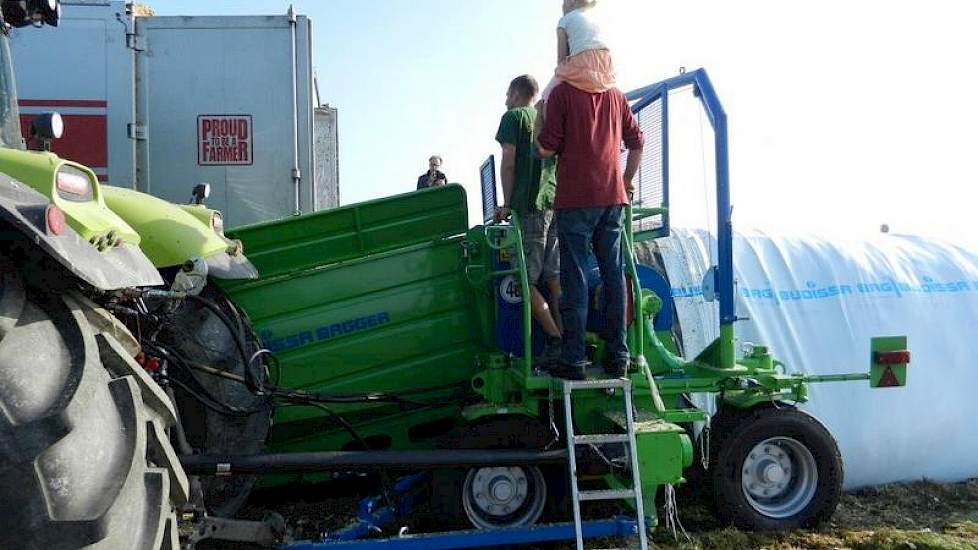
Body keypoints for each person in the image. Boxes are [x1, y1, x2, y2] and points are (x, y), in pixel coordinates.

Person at [537, 80, 644, 381]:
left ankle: (574, 359)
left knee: (576, 277)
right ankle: (619, 355)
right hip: (612, 199)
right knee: (614, 274)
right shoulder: (616, 95)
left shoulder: (562, 93)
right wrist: (627, 179)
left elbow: (545, 147)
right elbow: (638, 141)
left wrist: (541, 116)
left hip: (575, 200)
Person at [493, 75, 562, 364]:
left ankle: (556, 341)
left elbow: (508, 162)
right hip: (555, 204)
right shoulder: (547, 116)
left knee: (525, 281)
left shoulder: (513, 118)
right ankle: (572, 339)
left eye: (508, 94)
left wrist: (506, 204)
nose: (506, 100)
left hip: (529, 207)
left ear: (516, 93)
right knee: (554, 278)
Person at [535, 0, 616, 139]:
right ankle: (616, 135)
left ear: (571, 3)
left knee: (546, 96)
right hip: (606, 65)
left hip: (582, 62)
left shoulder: (564, 21)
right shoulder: (593, 17)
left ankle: (549, 138)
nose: (562, 5)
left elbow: (561, 59)